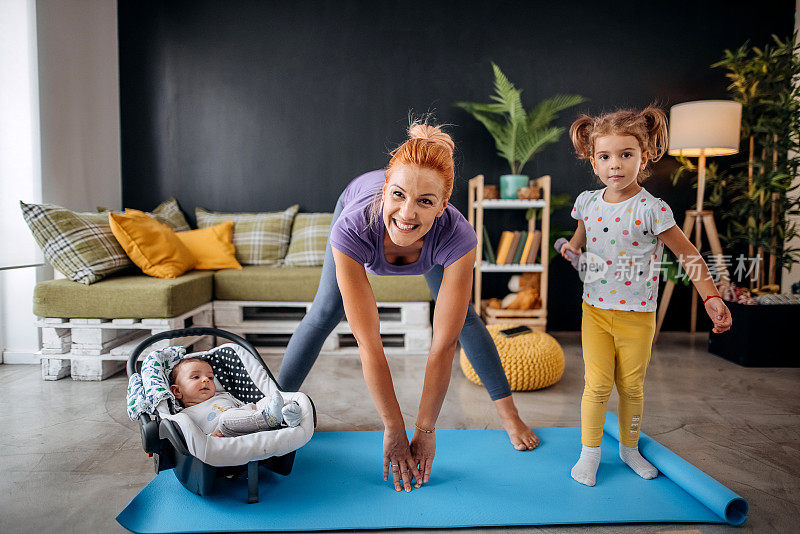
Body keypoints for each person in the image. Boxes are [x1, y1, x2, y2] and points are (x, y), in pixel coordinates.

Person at [278, 121, 539, 493]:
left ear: (442, 206)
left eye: (425, 202)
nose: (407, 213)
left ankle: (510, 416)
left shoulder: (457, 236)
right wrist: (394, 428)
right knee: (325, 313)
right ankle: (269, 412)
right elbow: (370, 345)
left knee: (463, 320)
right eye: (398, 195)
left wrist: (425, 430)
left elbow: (443, 346)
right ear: (385, 190)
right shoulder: (352, 228)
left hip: (431, 245)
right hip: (355, 210)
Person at [561, 106, 733, 487]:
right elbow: (581, 236)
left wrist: (711, 298)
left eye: (626, 155)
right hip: (595, 312)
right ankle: (589, 453)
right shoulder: (587, 201)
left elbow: (688, 254)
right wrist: (571, 249)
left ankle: (629, 448)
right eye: (605, 156)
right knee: (597, 385)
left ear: (645, 156)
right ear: (593, 161)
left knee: (632, 387)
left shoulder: (653, 209)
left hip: (637, 316)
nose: (615, 165)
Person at [169, 357, 302, 437]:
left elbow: (243, 406)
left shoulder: (223, 396)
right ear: (177, 391)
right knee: (225, 419)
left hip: (251, 418)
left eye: (210, 377)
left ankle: (289, 414)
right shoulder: (184, 416)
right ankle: (269, 418)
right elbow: (190, 440)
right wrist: (209, 437)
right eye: (196, 377)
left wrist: (258, 407)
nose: (206, 380)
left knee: (265, 400)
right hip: (227, 432)